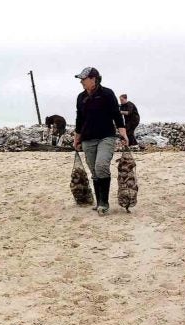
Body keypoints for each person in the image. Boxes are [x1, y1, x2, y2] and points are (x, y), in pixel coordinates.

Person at [73, 67, 127, 216]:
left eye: (84, 79)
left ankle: (104, 202)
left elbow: (117, 116)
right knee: (94, 171)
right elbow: (79, 120)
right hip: (87, 139)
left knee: (101, 165)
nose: (81, 82)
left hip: (106, 137)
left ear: (93, 79)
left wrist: (124, 135)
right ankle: (99, 202)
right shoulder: (80, 97)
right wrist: (76, 140)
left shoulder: (107, 94)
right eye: (81, 80)